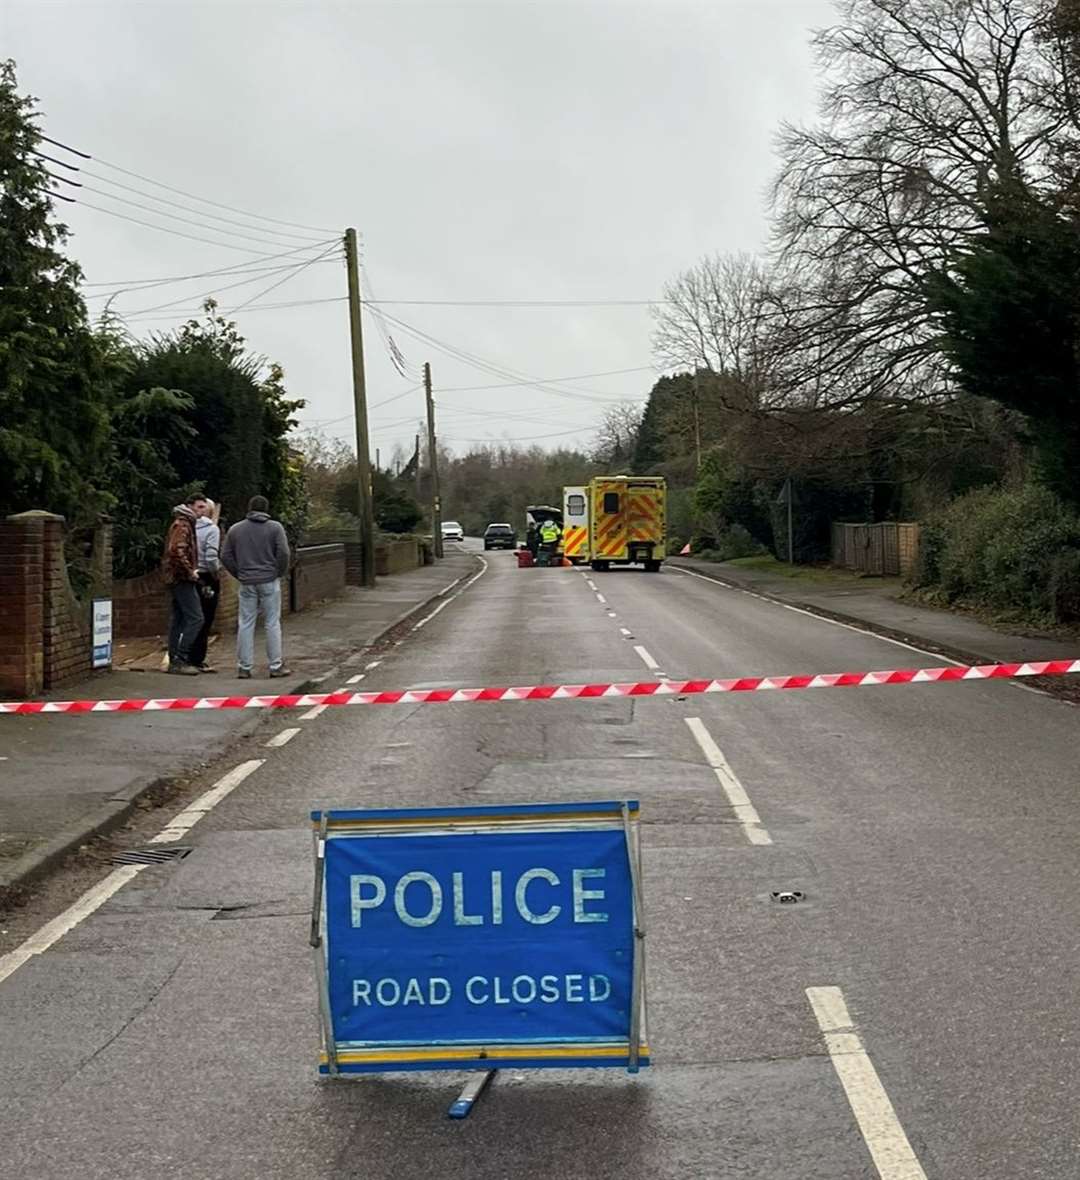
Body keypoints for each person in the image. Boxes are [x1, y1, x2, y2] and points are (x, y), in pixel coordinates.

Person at [221, 495, 291, 680]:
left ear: (249, 508)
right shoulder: (275, 528)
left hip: (246, 582)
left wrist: (240, 573)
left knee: (245, 623)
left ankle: (244, 667)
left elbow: (226, 556)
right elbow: (283, 553)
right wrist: (278, 572)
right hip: (269, 579)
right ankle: (275, 665)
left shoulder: (235, 530)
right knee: (272, 623)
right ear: (267, 509)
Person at [162, 504, 203, 675]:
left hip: (175, 577)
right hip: (182, 578)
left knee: (178, 619)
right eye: (199, 507)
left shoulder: (180, 523)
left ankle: (174, 659)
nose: (202, 511)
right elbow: (177, 551)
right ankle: (181, 658)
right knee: (196, 618)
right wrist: (190, 571)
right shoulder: (183, 525)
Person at [188, 495, 221, 673]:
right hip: (206, 576)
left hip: (190, 575)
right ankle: (197, 657)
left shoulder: (188, 527)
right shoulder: (212, 530)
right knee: (205, 617)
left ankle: (184, 654)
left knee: (191, 616)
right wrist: (215, 574)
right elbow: (211, 557)